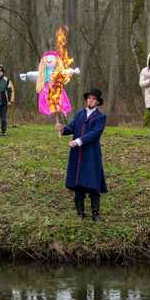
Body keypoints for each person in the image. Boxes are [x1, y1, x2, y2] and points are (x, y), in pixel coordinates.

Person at [56, 88, 107, 222]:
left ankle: (95, 214)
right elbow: (72, 127)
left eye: (94, 99)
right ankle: (80, 213)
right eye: (89, 98)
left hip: (91, 153)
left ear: (97, 102)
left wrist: (78, 141)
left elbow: (95, 133)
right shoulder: (80, 114)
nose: (91, 100)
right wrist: (63, 129)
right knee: (78, 181)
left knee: (92, 181)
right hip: (77, 154)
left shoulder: (101, 117)